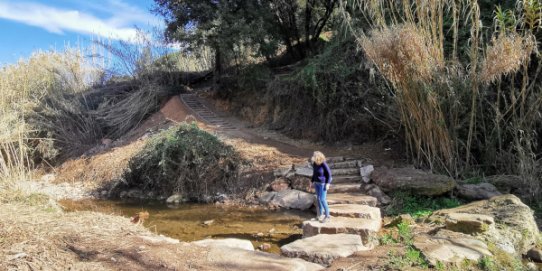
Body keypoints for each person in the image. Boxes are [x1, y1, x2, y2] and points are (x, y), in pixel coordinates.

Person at [310, 151, 332, 223]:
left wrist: (328, 184)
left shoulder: (323, 164)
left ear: (318, 156)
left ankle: (327, 216)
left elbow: (329, 174)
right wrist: (311, 181)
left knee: (322, 199)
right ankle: (320, 215)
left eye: (314, 156)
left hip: (323, 184)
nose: (312, 157)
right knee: (318, 199)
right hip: (316, 183)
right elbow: (314, 173)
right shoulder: (314, 164)